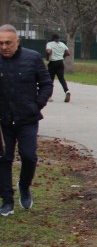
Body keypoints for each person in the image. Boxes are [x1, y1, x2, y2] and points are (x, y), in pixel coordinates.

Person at [0, 24, 53, 216]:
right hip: (3, 121)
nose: (4, 47)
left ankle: (24, 185)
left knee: (29, 156)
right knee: (3, 159)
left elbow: (46, 84)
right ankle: (7, 200)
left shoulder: (33, 58)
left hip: (27, 119)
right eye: (0, 43)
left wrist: (36, 105)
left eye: (8, 43)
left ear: (18, 42)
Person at [45, 33, 71, 102]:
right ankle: (67, 91)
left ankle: (49, 96)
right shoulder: (62, 44)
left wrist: (47, 56)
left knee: (51, 79)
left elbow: (48, 51)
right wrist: (63, 56)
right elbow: (68, 53)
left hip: (53, 63)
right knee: (61, 78)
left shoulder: (50, 44)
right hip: (60, 63)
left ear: (52, 38)